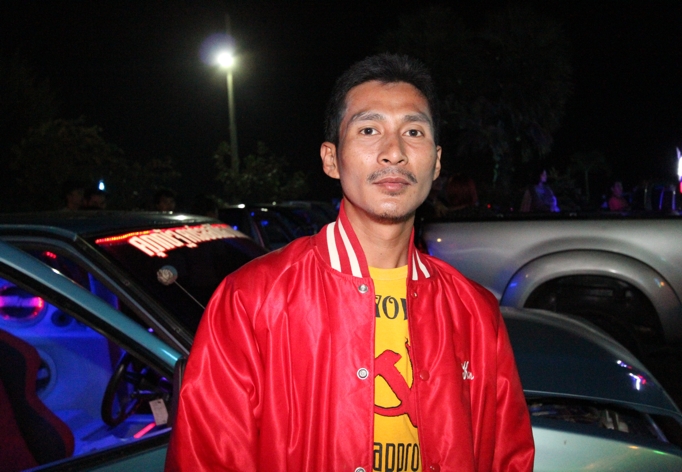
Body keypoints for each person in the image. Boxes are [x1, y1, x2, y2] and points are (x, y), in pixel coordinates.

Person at [166, 53, 534, 471]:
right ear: (331, 159)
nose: (394, 152)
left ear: (435, 162)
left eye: (413, 131)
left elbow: (507, 458)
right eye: (369, 130)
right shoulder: (252, 300)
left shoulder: (475, 313)